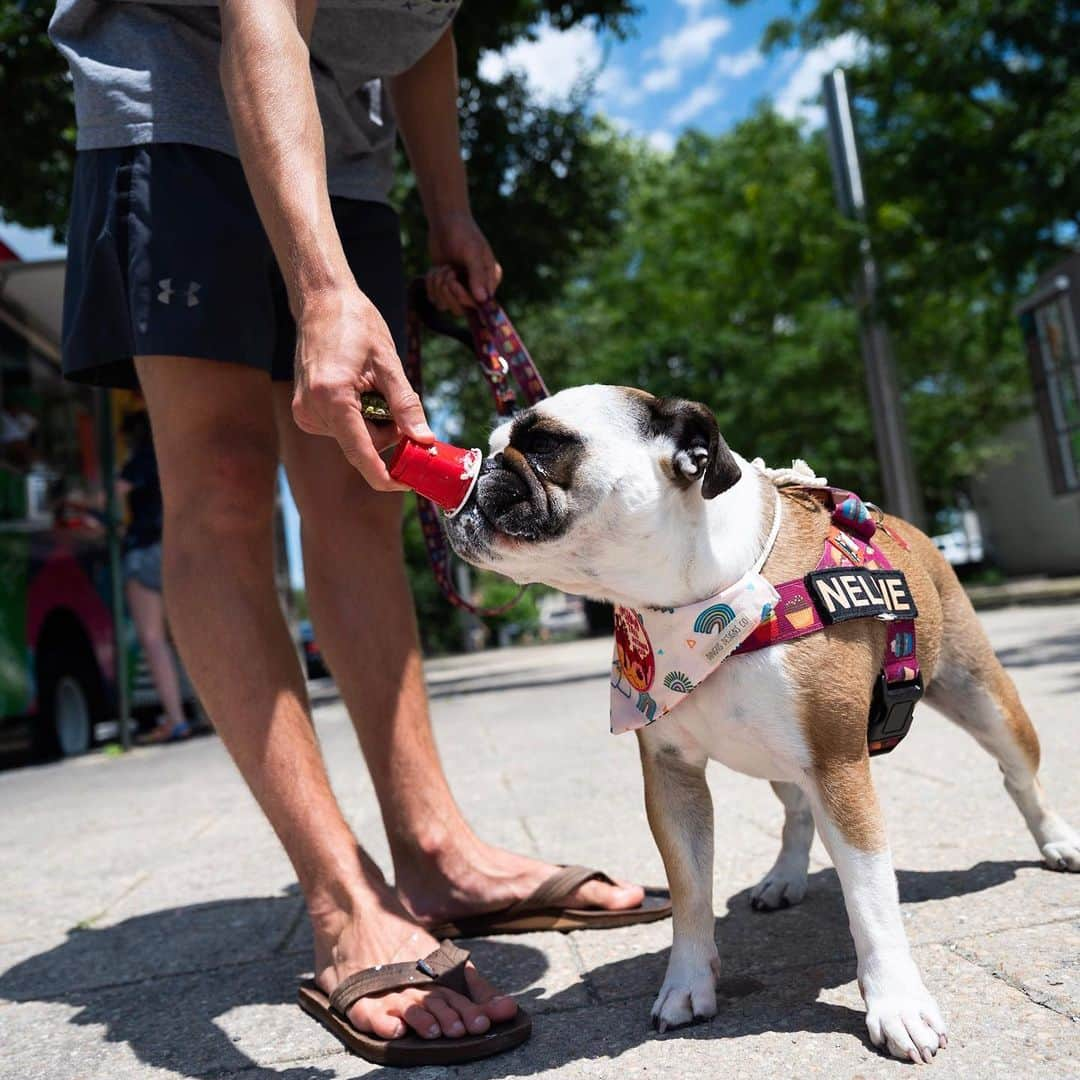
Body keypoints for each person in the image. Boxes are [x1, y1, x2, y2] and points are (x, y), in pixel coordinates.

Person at [49, 0, 667, 1064]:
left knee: (362, 487)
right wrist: (324, 286)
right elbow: (262, 16)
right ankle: (342, 898)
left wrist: (450, 210)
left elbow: (425, 26)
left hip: (342, 144)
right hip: (175, 101)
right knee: (227, 479)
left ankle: (435, 852)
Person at [119, 410, 191, 744]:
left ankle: (175, 718)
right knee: (185, 635)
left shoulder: (140, 461)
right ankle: (207, 713)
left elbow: (110, 494)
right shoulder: (172, 453)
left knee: (153, 638)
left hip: (145, 547)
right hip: (175, 547)